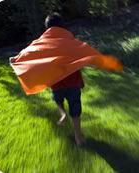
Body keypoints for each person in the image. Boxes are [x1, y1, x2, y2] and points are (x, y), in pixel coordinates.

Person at [45, 13, 84, 146]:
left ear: (47, 29)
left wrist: (16, 60)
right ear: (62, 26)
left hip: (57, 84)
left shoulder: (44, 44)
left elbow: (31, 54)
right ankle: (78, 138)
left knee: (58, 101)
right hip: (73, 84)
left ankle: (62, 114)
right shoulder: (70, 40)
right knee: (75, 111)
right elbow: (81, 57)